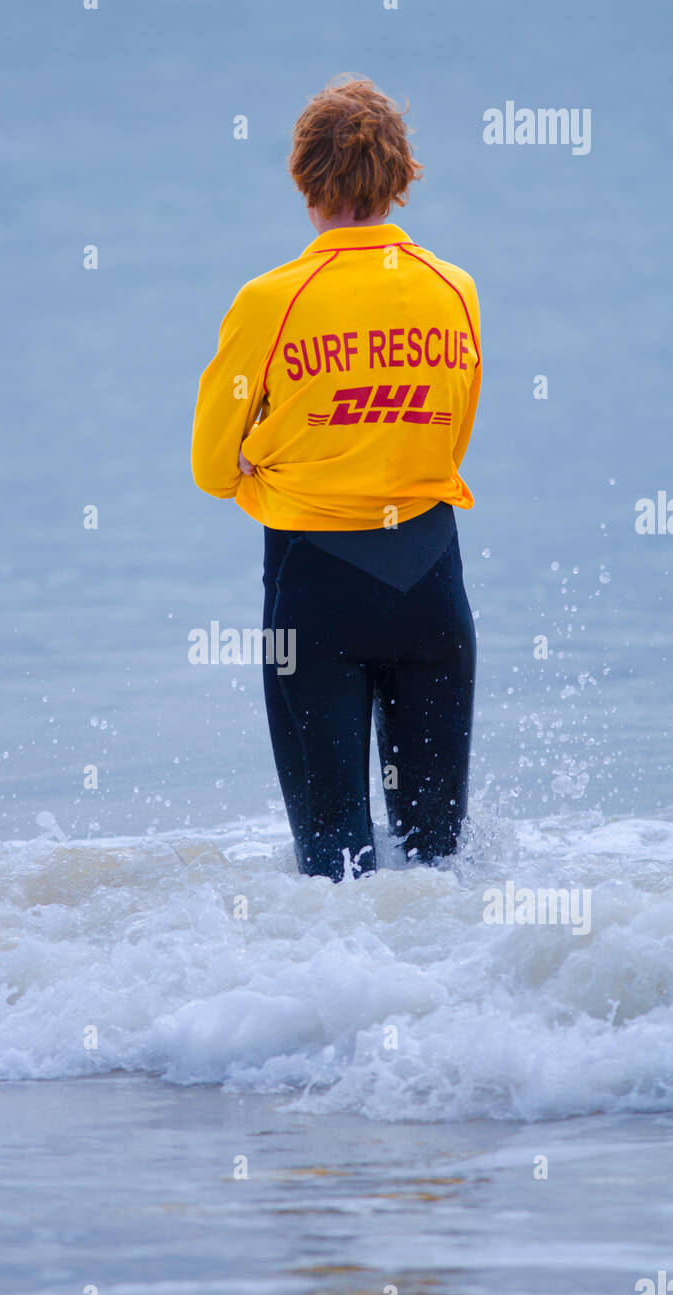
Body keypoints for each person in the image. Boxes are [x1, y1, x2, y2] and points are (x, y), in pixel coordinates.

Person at [191, 75, 481, 883]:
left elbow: (212, 469)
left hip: (313, 590)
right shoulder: (454, 291)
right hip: (432, 587)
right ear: (398, 178)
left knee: (332, 869)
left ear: (302, 177)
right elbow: (448, 438)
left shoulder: (269, 301)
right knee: (440, 868)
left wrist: (278, 487)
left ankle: (343, 1007)